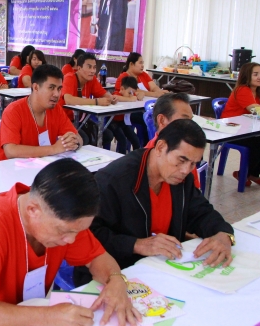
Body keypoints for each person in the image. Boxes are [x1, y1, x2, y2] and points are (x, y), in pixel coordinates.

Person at [0, 159, 141, 326]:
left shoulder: (65, 219)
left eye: (78, 232)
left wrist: (116, 280)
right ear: (33, 210)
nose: (71, 240)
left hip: (19, 312)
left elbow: (98, 258)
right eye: (64, 232)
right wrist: (49, 317)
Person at [80, 120, 235, 285]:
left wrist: (224, 233)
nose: (186, 170)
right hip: (117, 271)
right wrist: (136, 245)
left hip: (161, 267)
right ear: (160, 147)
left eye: (193, 163)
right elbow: (87, 235)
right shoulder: (113, 180)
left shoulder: (181, 179)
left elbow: (201, 212)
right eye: (181, 160)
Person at [0, 65, 82, 161]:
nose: (57, 94)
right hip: (9, 168)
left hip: (42, 165)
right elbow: (11, 151)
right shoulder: (13, 111)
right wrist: (54, 149)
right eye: (51, 88)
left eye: (59, 89)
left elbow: (78, 138)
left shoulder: (56, 109)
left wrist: (73, 143)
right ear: (36, 87)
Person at [221, 62, 260, 186]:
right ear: (246, 76)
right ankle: (243, 173)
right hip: (232, 129)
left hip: (248, 129)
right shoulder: (242, 90)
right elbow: (257, 110)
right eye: (255, 74)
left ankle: (253, 174)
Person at [60, 53, 116, 148]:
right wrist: (96, 102)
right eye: (89, 67)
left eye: (94, 67)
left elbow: (104, 94)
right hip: (65, 120)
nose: (92, 71)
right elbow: (69, 100)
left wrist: (111, 98)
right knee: (85, 139)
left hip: (82, 120)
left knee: (107, 135)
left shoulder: (92, 80)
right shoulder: (69, 78)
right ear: (79, 68)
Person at [145, 92, 199, 188]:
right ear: (162, 120)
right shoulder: (148, 160)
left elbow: (194, 192)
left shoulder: (186, 150)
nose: (190, 126)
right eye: (184, 120)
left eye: (191, 120)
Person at [116, 52, 167, 143]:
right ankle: (147, 145)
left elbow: (154, 87)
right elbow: (136, 91)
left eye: (143, 63)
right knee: (147, 119)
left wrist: (160, 92)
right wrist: (155, 94)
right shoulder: (124, 77)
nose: (142, 65)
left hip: (143, 108)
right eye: (140, 63)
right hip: (129, 112)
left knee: (159, 116)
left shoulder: (143, 75)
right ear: (131, 64)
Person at [109, 76, 142, 152]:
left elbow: (137, 96)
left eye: (132, 93)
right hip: (112, 122)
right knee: (123, 140)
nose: (131, 95)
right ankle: (121, 157)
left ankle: (136, 157)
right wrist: (130, 99)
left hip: (123, 122)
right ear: (122, 89)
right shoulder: (117, 93)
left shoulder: (130, 95)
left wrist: (139, 95)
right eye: (130, 93)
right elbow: (115, 97)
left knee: (135, 139)